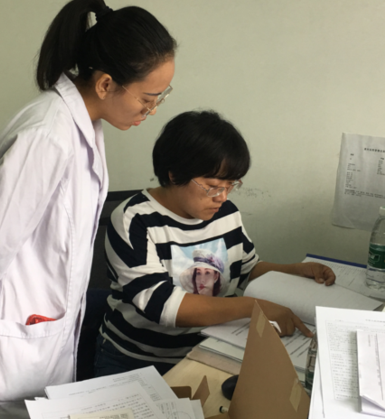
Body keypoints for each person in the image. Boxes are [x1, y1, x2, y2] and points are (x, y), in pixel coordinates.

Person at [0, 0, 176, 418]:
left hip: (37, 337)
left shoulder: (82, 127)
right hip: (0, 347)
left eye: (159, 99)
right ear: (106, 84)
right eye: (147, 99)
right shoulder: (48, 136)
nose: (150, 111)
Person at [95, 110, 335, 377]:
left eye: (231, 185)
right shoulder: (134, 219)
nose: (222, 197)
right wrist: (253, 308)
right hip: (139, 360)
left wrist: (293, 271)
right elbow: (161, 305)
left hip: (212, 350)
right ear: (174, 175)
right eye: (212, 186)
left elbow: (245, 270)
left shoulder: (225, 213)